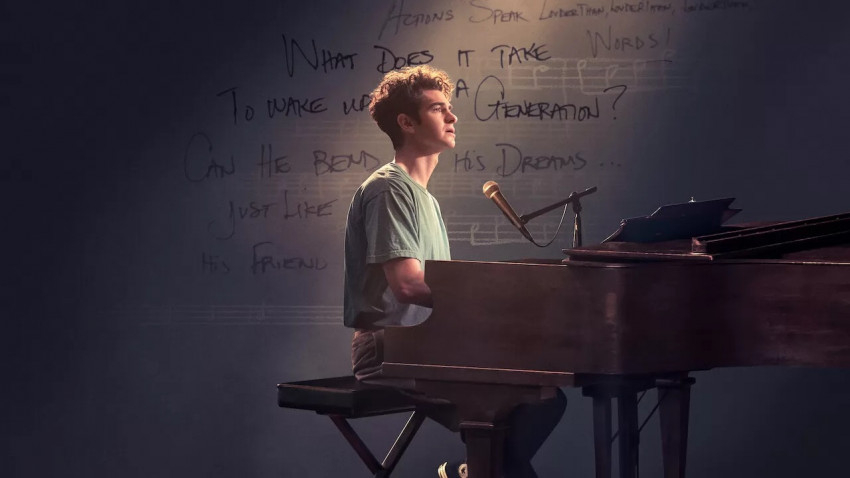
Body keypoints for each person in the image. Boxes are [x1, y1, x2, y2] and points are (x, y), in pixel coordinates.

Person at [343, 65, 565, 478]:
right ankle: (474, 470)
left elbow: (438, 291)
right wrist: (488, 302)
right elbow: (408, 285)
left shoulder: (424, 199)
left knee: (544, 397)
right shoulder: (389, 189)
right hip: (389, 347)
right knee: (521, 405)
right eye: (438, 109)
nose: (453, 116)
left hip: (427, 342)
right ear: (407, 123)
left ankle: (471, 471)